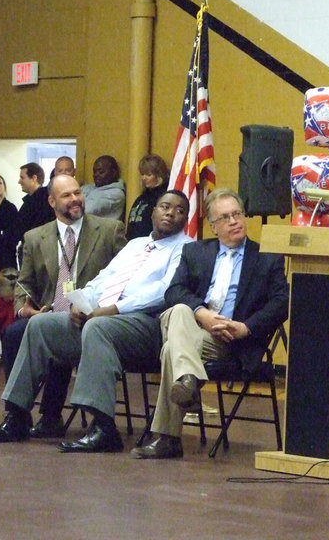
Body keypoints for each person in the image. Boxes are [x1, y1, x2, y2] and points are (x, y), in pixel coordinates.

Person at [0, 190, 193, 452]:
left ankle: (104, 428)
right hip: (102, 320)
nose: (171, 213)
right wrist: (80, 303)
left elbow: (165, 290)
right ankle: (16, 416)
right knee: (40, 325)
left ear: (186, 218)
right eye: (164, 206)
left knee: (97, 326)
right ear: (153, 211)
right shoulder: (135, 245)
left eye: (179, 210)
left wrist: (113, 309)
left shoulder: (186, 248)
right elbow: (104, 278)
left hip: (144, 324)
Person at [131, 188, 289, 459]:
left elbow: (281, 302)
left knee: (172, 350)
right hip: (196, 330)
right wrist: (202, 314)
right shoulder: (196, 251)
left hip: (231, 340)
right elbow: (174, 291)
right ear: (214, 227)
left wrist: (245, 327)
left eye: (237, 214)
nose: (234, 221)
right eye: (225, 217)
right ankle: (188, 379)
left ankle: (170, 435)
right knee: (179, 310)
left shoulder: (266, 257)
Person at [0, 174, 126, 439]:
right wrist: (25, 310)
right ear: (52, 201)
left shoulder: (110, 230)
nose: (75, 199)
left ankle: (51, 416)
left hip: (91, 318)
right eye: (66, 195)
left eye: (78, 193)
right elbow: (24, 284)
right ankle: (18, 417)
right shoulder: (34, 237)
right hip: (47, 312)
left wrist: (98, 308)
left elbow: (124, 279)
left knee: (53, 328)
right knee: (14, 333)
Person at [127, 154, 170, 240]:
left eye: (149, 175)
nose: (144, 178)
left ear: (159, 175)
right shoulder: (141, 198)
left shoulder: (163, 198)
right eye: (142, 174)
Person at [16, 162, 55, 246]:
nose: (19, 181)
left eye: (22, 178)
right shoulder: (29, 201)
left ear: (34, 178)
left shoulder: (44, 200)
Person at [81, 155, 126, 220]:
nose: (96, 175)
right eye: (94, 172)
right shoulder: (89, 187)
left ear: (113, 172)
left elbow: (87, 210)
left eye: (101, 172)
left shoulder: (116, 194)